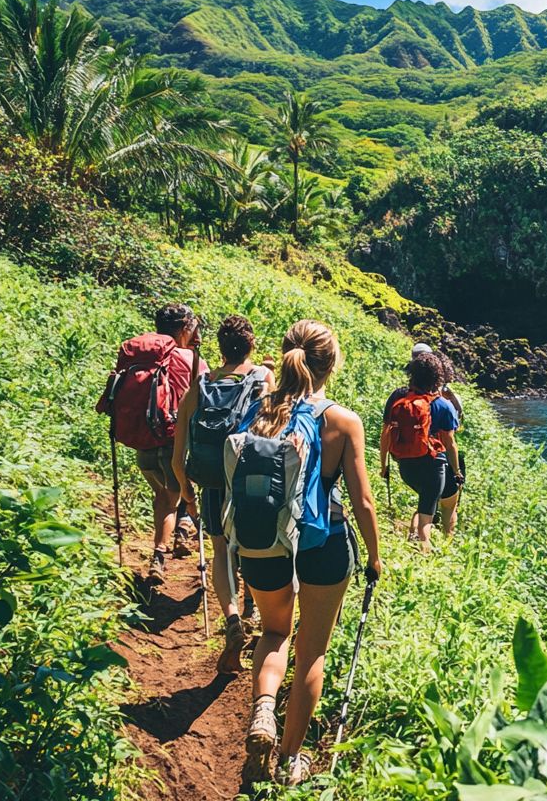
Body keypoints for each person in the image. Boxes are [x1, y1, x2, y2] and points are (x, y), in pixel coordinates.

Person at [236, 320, 382, 786]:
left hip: (263, 541)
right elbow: (362, 501)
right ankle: (290, 759)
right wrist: (376, 558)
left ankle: (263, 708)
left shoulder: (260, 407)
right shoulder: (342, 420)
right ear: (332, 363)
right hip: (323, 542)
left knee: (274, 631)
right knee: (311, 649)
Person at [171, 314, 275, 673]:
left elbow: (177, 454)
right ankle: (254, 609)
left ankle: (231, 616)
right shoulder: (263, 378)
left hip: (213, 482)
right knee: (253, 550)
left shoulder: (200, 385)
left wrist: (186, 491)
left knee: (221, 551)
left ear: (220, 348)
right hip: (251, 483)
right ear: (252, 345)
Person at [99, 302, 208, 585]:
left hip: (142, 442)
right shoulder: (188, 359)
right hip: (173, 442)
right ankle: (160, 556)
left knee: (164, 493)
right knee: (171, 498)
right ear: (185, 328)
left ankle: (182, 528)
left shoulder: (141, 353)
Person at [380, 351, 462, 548]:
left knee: (425, 503)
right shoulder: (443, 405)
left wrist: (383, 466)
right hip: (433, 466)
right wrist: (457, 472)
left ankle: (414, 542)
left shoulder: (399, 399)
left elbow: (385, 435)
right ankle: (433, 551)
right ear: (438, 377)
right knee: (436, 511)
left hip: (406, 466)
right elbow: (449, 443)